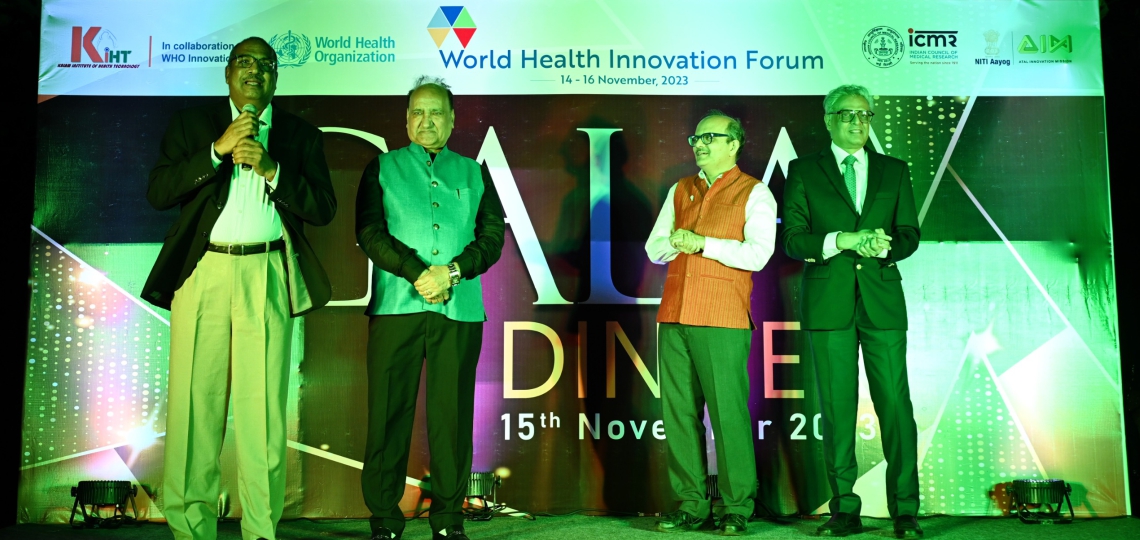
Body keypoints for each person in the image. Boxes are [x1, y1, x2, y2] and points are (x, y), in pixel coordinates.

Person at [142, 36, 336, 540]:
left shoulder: (299, 135)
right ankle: (191, 528)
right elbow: (159, 191)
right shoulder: (192, 125)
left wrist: (273, 170)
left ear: (276, 78)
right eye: (245, 63)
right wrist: (216, 151)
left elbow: (323, 208)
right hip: (203, 270)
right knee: (195, 407)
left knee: (263, 412)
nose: (255, 72)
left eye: (266, 65)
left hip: (267, 273)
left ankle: (260, 529)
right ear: (228, 74)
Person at [356, 76, 505, 540]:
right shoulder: (381, 167)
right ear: (406, 120)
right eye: (417, 113)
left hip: (459, 313)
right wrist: (417, 272)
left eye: (436, 112)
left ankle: (448, 518)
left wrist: (452, 273)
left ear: (452, 119)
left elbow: (492, 238)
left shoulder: (474, 173)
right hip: (396, 308)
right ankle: (384, 518)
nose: (426, 121)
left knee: (452, 417)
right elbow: (369, 232)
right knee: (388, 414)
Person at [781, 84, 922, 538]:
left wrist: (886, 247)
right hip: (829, 304)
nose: (858, 122)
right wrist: (841, 240)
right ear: (828, 119)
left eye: (865, 114)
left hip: (882, 302)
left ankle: (906, 510)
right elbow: (793, 240)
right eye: (848, 114)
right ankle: (844, 508)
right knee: (837, 409)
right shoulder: (804, 170)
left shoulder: (894, 170)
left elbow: (909, 233)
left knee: (895, 406)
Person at [645, 111, 777, 536]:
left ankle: (737, 506)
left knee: (727, 414)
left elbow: (758, 254)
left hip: (722, 317)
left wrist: (702, 243)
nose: (699, 145)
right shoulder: (680, 188)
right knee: (678, 413)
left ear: (733, 144)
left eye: (710, 138)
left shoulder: (754, 191)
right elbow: (654, 248)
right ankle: (691, 504)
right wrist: (677, 242)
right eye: (696, 138)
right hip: (674, 315)